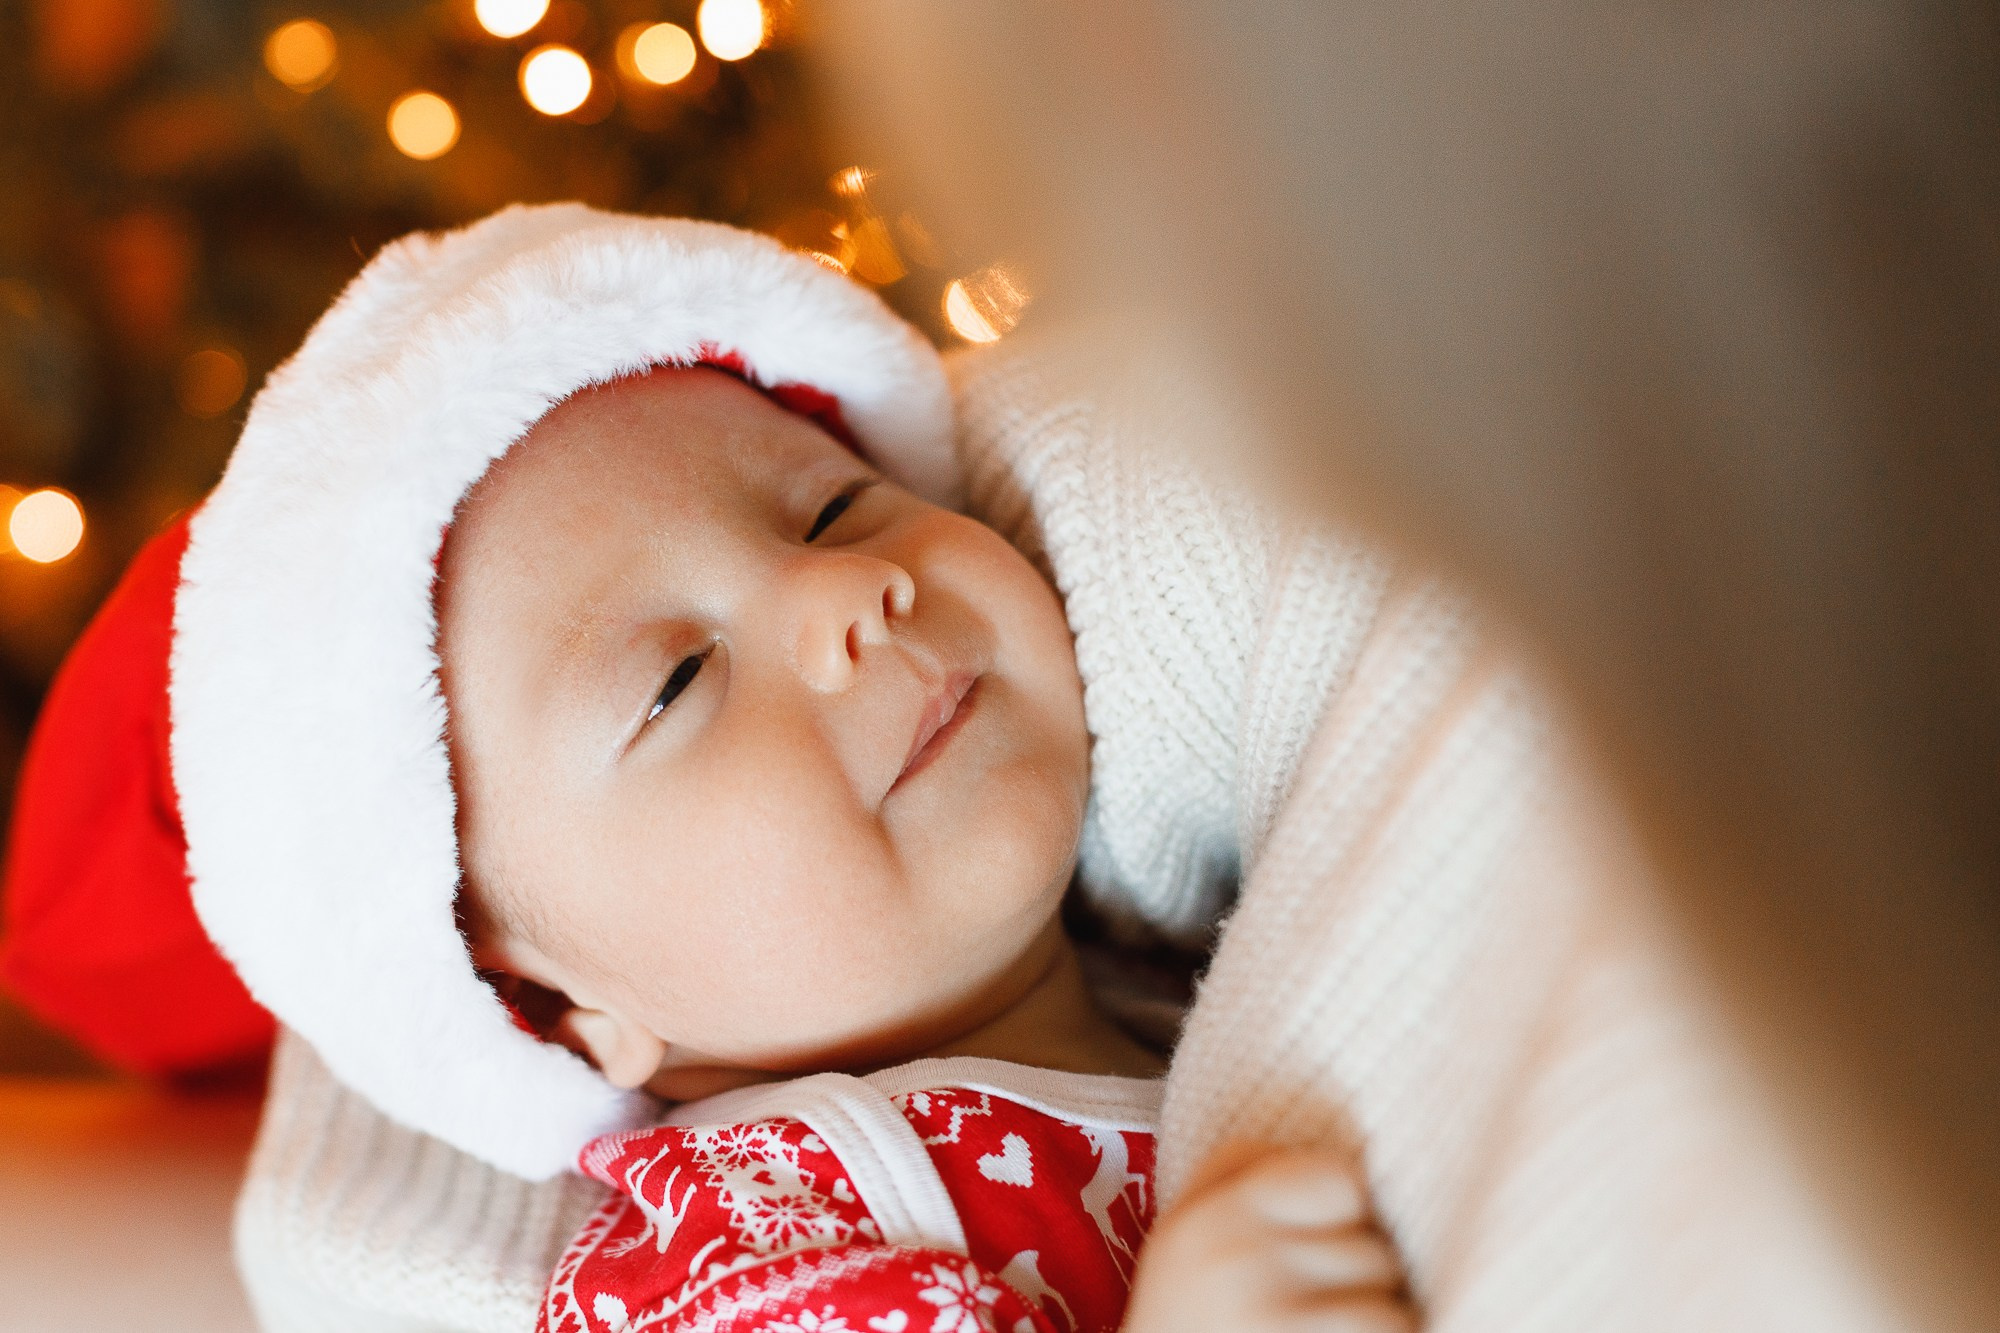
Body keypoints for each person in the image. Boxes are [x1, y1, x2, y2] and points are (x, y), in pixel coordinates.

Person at [8, 205, 1411, 1332]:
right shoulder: (749, 1261)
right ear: (564, 1014)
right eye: (676, 679)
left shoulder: (1199, 941)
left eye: (833, 507)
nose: (841, 600)